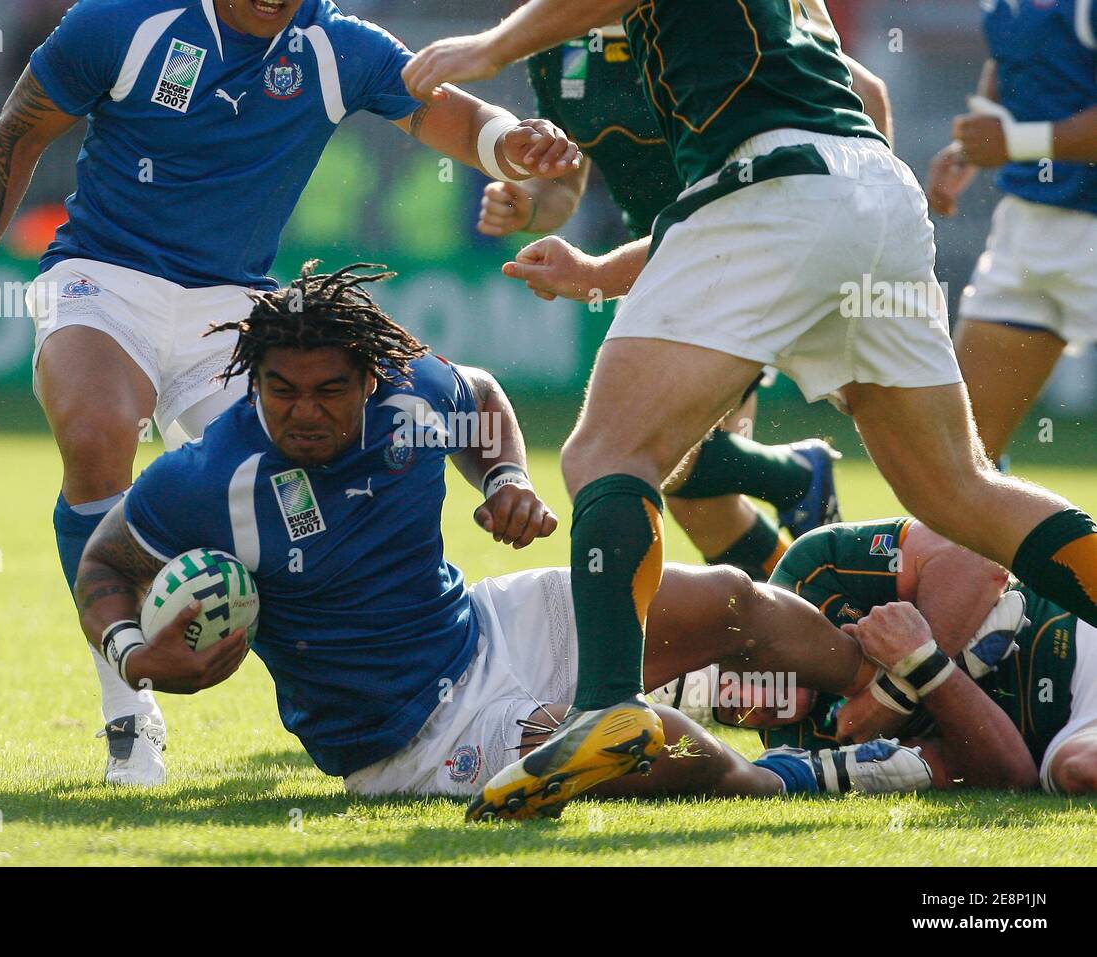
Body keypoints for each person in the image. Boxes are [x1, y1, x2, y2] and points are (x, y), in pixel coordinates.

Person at [402, 0, 1097, 820]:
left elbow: (760, 168)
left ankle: (610, 708)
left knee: (606, 454)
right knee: (956, 488)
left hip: (769, 194)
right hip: (867, 190)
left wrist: (490, 45)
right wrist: (593, 265)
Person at [0, 0, 580, 786]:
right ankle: (128, 707)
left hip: (236, 308)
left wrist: (510, 145)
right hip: (106, 277)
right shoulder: (121, 22)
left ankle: (393, 687)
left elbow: (448, 113)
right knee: (97, 429)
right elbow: (21, 128)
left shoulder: (335, 46)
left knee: (299, 486)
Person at [72, 261, 932, 812]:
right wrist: (131, 655)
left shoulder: (414, 395)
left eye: (329, 390)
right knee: (617, 740)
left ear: (372, 378)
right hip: (408, 738)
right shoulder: (208, 475)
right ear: (252, 379)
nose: (302, 412)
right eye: (279, 389)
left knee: (735, 602)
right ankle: (810, 777)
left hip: (483, 625)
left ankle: (903, 694)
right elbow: (106, 560)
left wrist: (505, 476)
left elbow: (481, 394)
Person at [477, 24, 894, 577]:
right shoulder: (558, 40)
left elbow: (864, 92)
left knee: (623, 454)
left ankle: (789, 488)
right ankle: (811, 611)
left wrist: (874, 207)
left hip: (749, 246)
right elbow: (564, 185)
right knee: (702, 506)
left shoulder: (695, 17)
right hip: (657, 264)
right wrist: (526, 208)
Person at [751, 518, 1097, 795]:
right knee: (1079, 771)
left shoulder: (809, 572)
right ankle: (960, 661)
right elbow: (1008, 776)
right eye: (727, 714)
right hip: (1069, 737)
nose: (747, 705)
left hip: (1082, 623)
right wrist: (929, 667)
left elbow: (975, 555)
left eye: (729, 682)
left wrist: (892, 693)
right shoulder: (796, 750)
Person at [926, 0, 1097, 463]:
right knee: (959, 459)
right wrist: (972, 144)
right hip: (1030, 226)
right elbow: (1012, 58)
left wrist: (1017, 143)